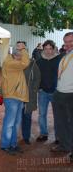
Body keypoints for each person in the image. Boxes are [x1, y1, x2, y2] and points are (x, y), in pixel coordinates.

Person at [0, 42, 30, 155]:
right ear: (15, 55)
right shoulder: (10, 63)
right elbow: (25, 62)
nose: (22, 57)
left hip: (18, 96)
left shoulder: (13, 62)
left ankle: (13, 144)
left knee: (16, 123)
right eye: (20, 55)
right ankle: (5, 145)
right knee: (9, 123)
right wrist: (24, 49)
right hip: (12, 96)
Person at [35, 40, 63, 143]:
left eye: (50, 49)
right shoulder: (39, 60)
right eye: (46, 49)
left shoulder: (59, 59)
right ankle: (43, 134)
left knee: (57, 115)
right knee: (42, 114)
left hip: (56, 91)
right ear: (43, 49)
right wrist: (39, 87)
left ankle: (58, 137)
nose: (48, 51)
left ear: (53, 49)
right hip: (43, 92)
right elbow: (36, 76)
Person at [52, 32, 73, 161]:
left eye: (70, 41)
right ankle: (65, 145)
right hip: (59, 92)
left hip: (70, 94)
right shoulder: (66, 55)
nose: (67, 44)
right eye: (66, 42)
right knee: (61, 123)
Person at [22, 57, 41, 145]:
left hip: (29, 96)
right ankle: (12, 138)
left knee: (27, 116)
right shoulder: (13, 63)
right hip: (16, 96)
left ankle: (26, 137)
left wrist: (34, 89)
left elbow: (37, 78)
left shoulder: (33, 64)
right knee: (16, 118)